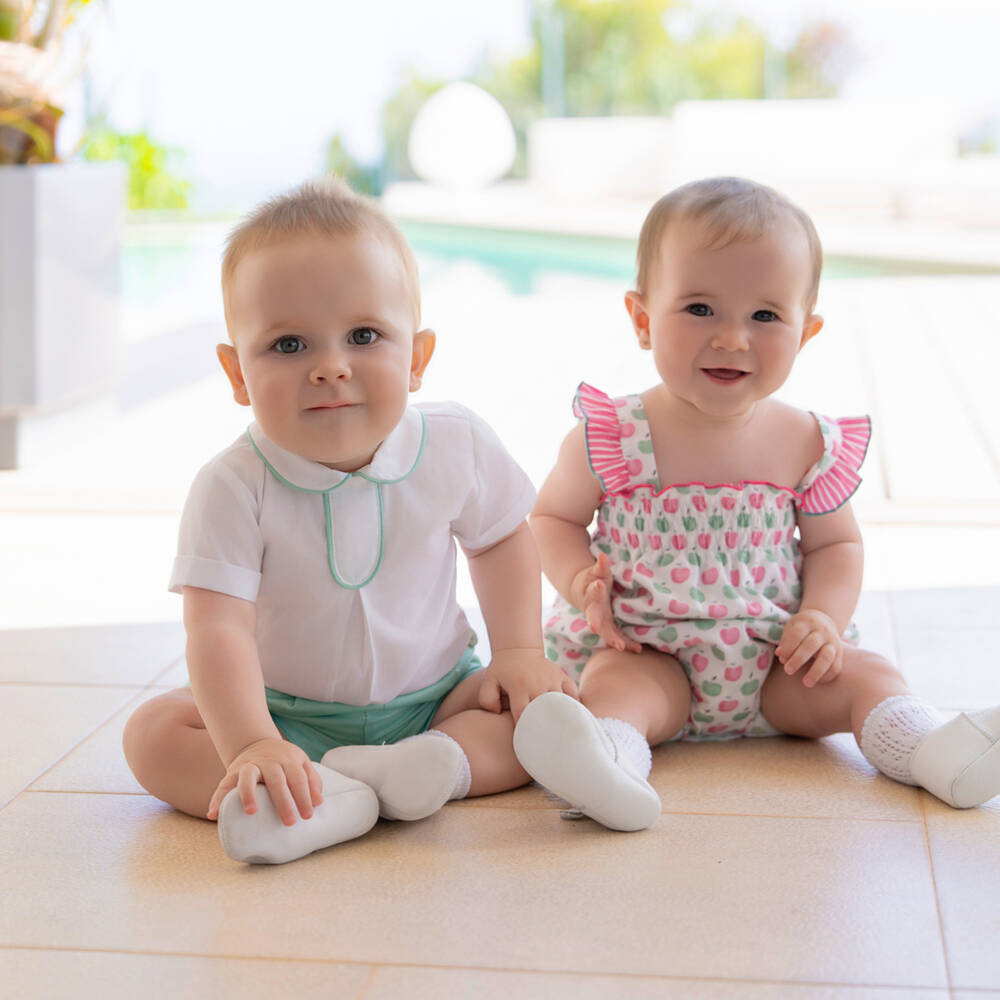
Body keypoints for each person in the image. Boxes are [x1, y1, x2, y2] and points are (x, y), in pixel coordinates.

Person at [515, 176, 1000, 831]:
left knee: (869, 673)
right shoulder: (615, 435)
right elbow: (552, 519)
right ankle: (608, 764)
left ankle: (925, 747)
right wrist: (580, 580)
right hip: (653, 655)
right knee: (613, 692)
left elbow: (836, 545)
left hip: (778, 665)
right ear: (641, 319)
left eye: (765, 316)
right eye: (699, 309)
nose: (733, 339)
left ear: (805, 334)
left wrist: (823, 619)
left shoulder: (805, 440)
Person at [123, 176, 576, 864]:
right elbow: (218, 627)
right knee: (153, 736)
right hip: (288, 717)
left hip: (436, 701)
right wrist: (251, 741)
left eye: (363, 336)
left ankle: (414, 775)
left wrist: (517, 652)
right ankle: (324, 789)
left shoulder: (455, 444)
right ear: (236, 373)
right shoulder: (232, 485)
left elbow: (502, 539)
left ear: (416, 358)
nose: (330, 368)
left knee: (527, 713)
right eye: (289, 346)